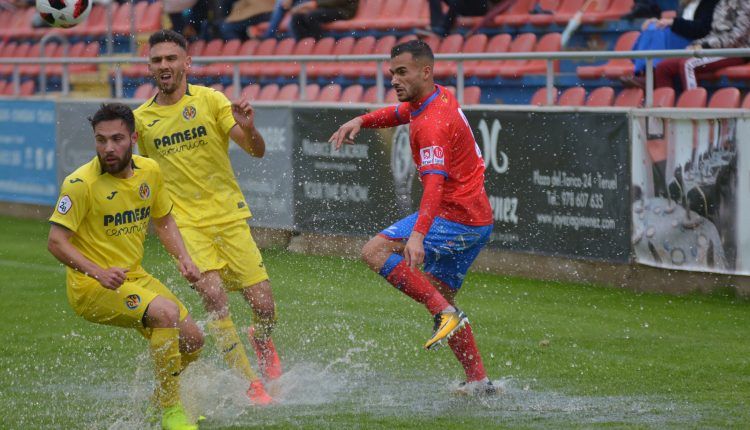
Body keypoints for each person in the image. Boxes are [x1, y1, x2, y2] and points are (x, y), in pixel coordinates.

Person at [329, 40, 497, 396]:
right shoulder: (434, 98)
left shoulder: (432, 123)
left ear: (425, 71)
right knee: (441, 298)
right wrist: (362, 119)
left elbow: (435, 183)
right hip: (477, 220)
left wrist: (418, 235)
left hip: (455, 217)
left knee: (373, 251)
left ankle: (445, 315)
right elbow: (400, 113)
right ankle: (479, 381)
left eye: (401, 72)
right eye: (392, 73)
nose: (394, 79)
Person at [133, 30, 278, 405]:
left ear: (187, 63)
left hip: (228, 217)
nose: (164, 66)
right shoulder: (142, 121)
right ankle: (251, 383)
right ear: (149, 66)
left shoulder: (211, 100)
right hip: (185, 225)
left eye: (171, 59)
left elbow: (256, 151)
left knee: (264, 306)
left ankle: (261, 338)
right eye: (157, 60)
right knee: (213, 295)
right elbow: (140, 175)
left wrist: (249, 129)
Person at [47, 103, 204, 430]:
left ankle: (158, 402)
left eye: (117, 139)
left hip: (132, 277)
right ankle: (171, 410)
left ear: (133, 137)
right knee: (165, 313)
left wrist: (184, 258)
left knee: (193, 340)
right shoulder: (80, 184)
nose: (108, 148)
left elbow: (163, 221)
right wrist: (98, 272)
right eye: (100, 140)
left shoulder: (150, 171)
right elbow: (56, 242)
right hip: (91, 287)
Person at [654, 0, 749, 93]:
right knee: (663, 67)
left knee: (688, 64)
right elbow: (713, 33)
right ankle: (663, 106)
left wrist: (704, 45)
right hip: (716, 49)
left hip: (736, 51)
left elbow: (738, 36)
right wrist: (695, 44)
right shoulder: (720, 2)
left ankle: (691, 107)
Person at [621, 0, 719, 87]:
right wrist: (659, 21)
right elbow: (680, 23)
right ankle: (641, 73)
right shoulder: (684, 3)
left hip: (697, 42)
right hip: (682, 37)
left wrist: (673, 22)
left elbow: (702, 30)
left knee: (660, 32)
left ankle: (652, 76)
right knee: (652, 27)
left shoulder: (710, 2)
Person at [419, 0, 502, 38]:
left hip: (483, 6)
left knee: (456, 2)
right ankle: (436, 26)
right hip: (464, 5)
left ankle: (444, 29)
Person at [288, 0, 358, 40]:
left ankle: (318, 41)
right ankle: (304, 45)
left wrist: (314, 4)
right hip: (326, 8)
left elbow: (336, 2)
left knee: (312, 16)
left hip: (342, 11)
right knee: (296, 17)